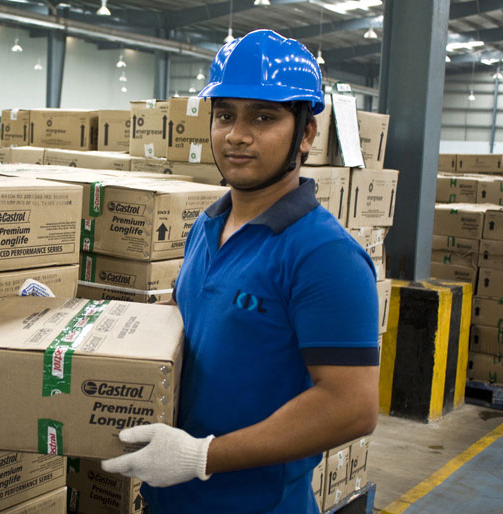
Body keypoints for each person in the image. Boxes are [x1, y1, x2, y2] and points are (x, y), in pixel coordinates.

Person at [101, 29, 380, 514]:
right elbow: (184, 319)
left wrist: (201, 456)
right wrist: (75, 327)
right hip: (169, 498)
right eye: (225, 115)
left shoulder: (324, 255)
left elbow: (351, 406)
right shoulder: (209, 224)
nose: (237, 134)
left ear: (307, 133)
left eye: (264, 117)